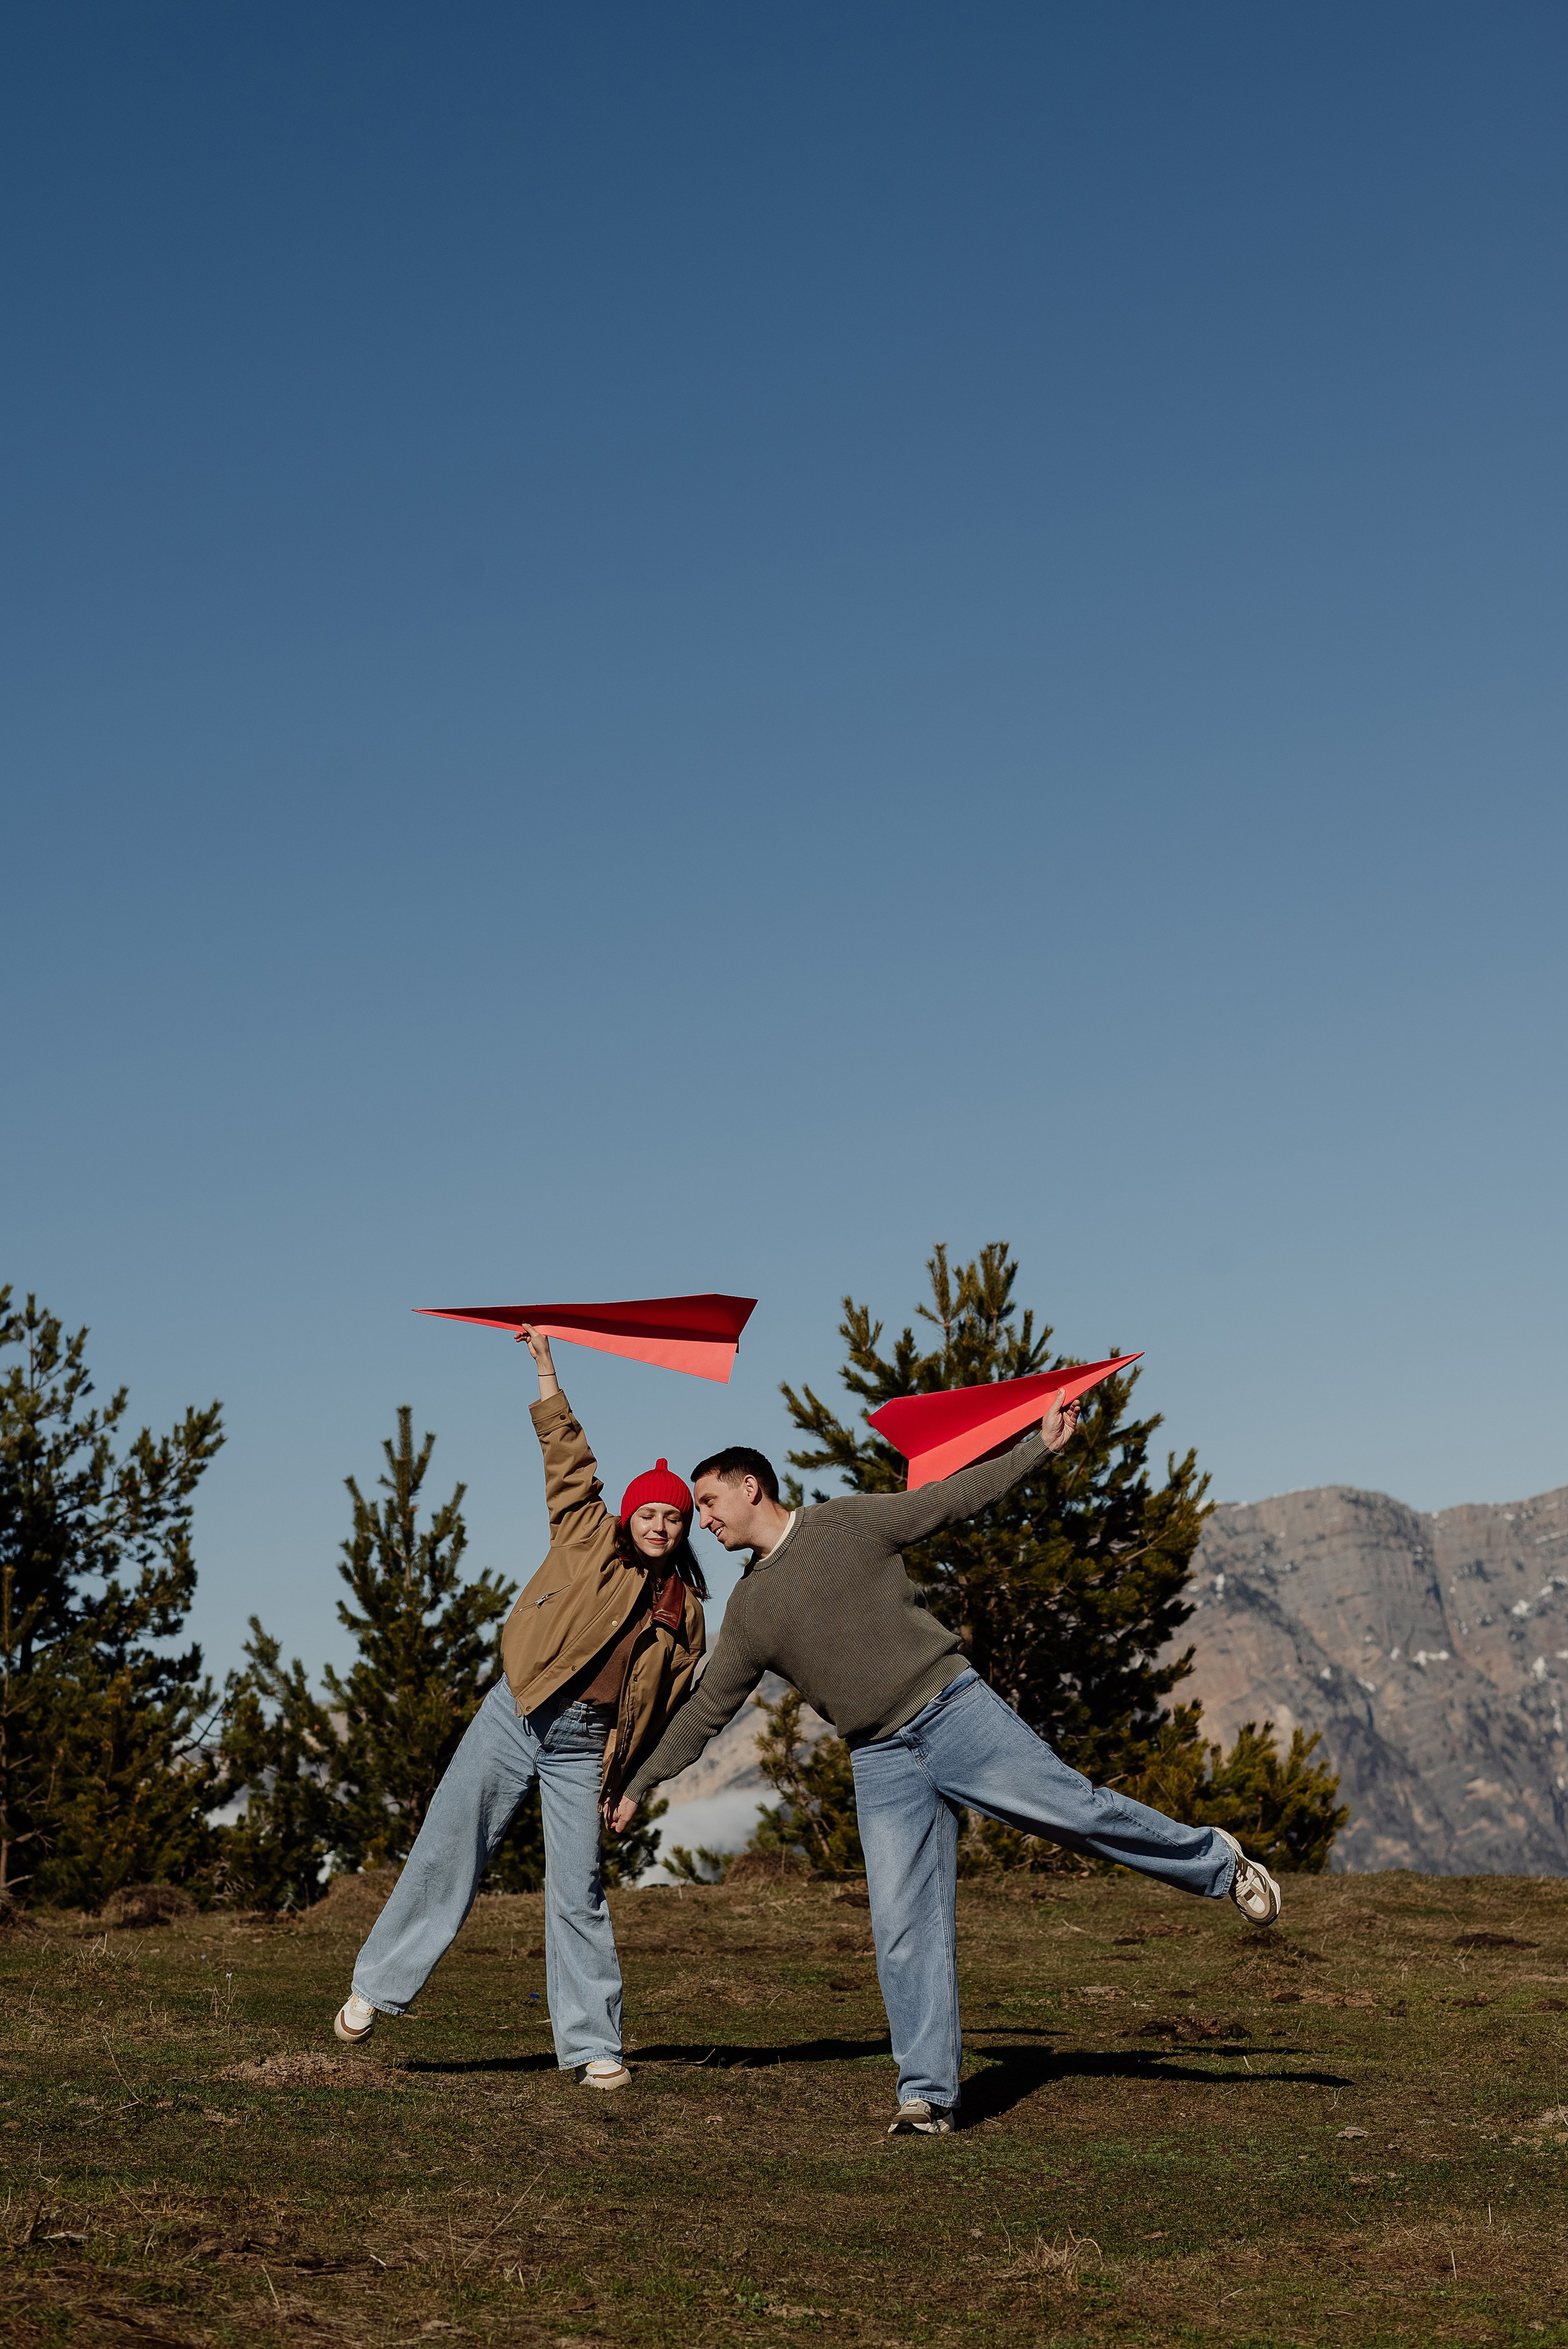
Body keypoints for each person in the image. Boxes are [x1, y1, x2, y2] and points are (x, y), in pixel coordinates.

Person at [610, 1392, 1280, 2135]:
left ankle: (1217, 1862)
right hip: (879, 1759)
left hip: (953, 1712)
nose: (702, 1520)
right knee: (901, 1923)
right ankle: (928, 2094)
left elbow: (951, 1499)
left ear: (749, 1487)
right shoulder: (748, 1610)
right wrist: (641, 1783)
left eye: (708, 1502)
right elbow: (706, 1709)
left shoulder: (848, 1522)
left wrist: (1040, 1448)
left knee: (1079, 1813)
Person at [332, 1327, 707, 2089]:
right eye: (648, 1513)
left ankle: (594, 2043)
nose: (659, 1525)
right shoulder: (584, 1535)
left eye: (672, 1517)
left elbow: (664, 1709)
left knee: (579, 1891)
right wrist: (545, 1370)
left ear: (683, 1528)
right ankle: (373, 1987)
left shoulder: (686, 1611)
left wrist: (625, 1778)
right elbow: (566, 1454)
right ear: (628, 1515)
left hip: (583, 1746)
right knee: (449, 1848)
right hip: (517, 1712)